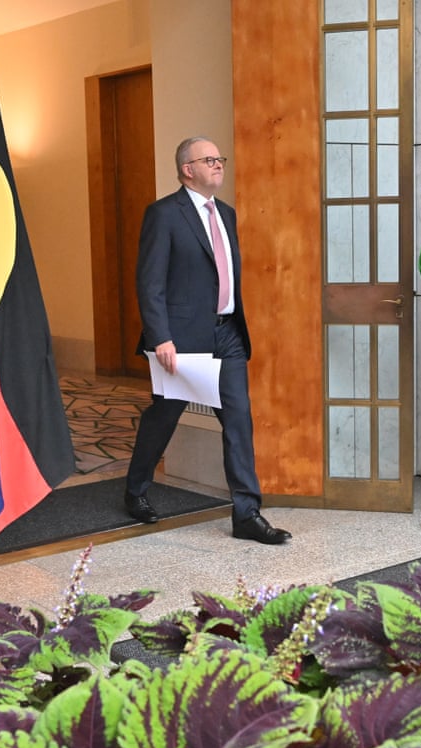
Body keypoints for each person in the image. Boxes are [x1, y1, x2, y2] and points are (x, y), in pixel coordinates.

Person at [123, 136, 291, 545]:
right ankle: (136, 489)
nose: (219, 165)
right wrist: (161, 336)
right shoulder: (164, 214)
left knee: (238, 417)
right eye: (209, 159)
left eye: (220, 159)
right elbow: (150, 281)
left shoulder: (227, 214)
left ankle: (247, 513)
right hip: (181, 339)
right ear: (187, 169)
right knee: (165, 416)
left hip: (228, 332)